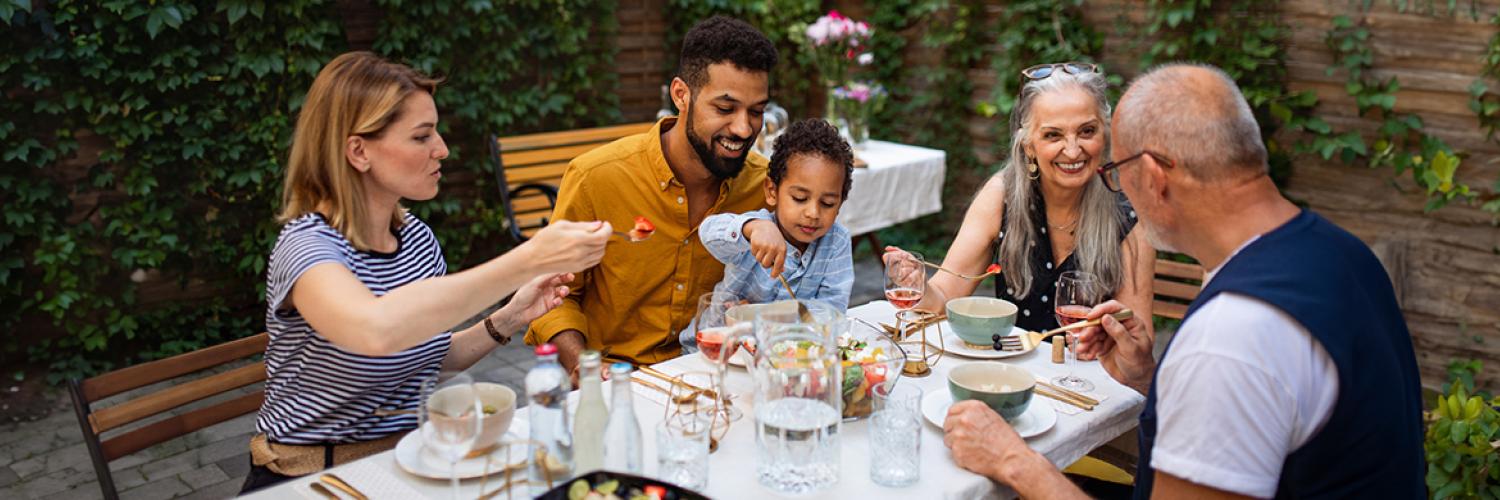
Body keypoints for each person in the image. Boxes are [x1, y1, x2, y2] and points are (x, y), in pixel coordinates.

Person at [942, 63, 1424, 498]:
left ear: (1151, 175)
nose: (1106, 180)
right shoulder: (1345, 255)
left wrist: (1013, 460)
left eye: (1114, 168)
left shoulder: (1231, 336)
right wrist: (1143, 375)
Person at [241, 51, 610, 493]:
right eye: (422, 136)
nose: (443, 149)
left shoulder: (415, 239)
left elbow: (428, 354)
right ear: (358, 151)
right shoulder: (308, 247)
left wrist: (511, 315)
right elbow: (376, 331)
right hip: (314, 477)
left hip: (414, 461)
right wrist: (529, 258)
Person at [524, 16, 778, 376]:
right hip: (616, 383)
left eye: (756, 112)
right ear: (681, 95)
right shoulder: (596, 178)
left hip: (719, 377)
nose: (743, 128)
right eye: (725, 109)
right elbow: (553, 299)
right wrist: (585, 371)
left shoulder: (763, 186)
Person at [885, 62, 1154, 336]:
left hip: (1091, 376)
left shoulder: (1129, 216)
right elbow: (943, 298)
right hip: (1012, 374)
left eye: (1087, 131)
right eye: (1053, 135)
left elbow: (1136, 347)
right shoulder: (1003, 195)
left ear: (1105, 134)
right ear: (1029, 146)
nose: (1073, 151)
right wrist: (918, 285)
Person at [682, 119, 856, 352]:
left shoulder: (837, 242)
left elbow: (831, 312)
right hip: (717, 347)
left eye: (827, 203)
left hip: (787, 356)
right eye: (800, 199)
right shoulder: (756, 229)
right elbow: (708, 232)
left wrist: (768, 319)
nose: (813, 213)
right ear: (772, 191)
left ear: (840, 204)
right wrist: (751, 228)